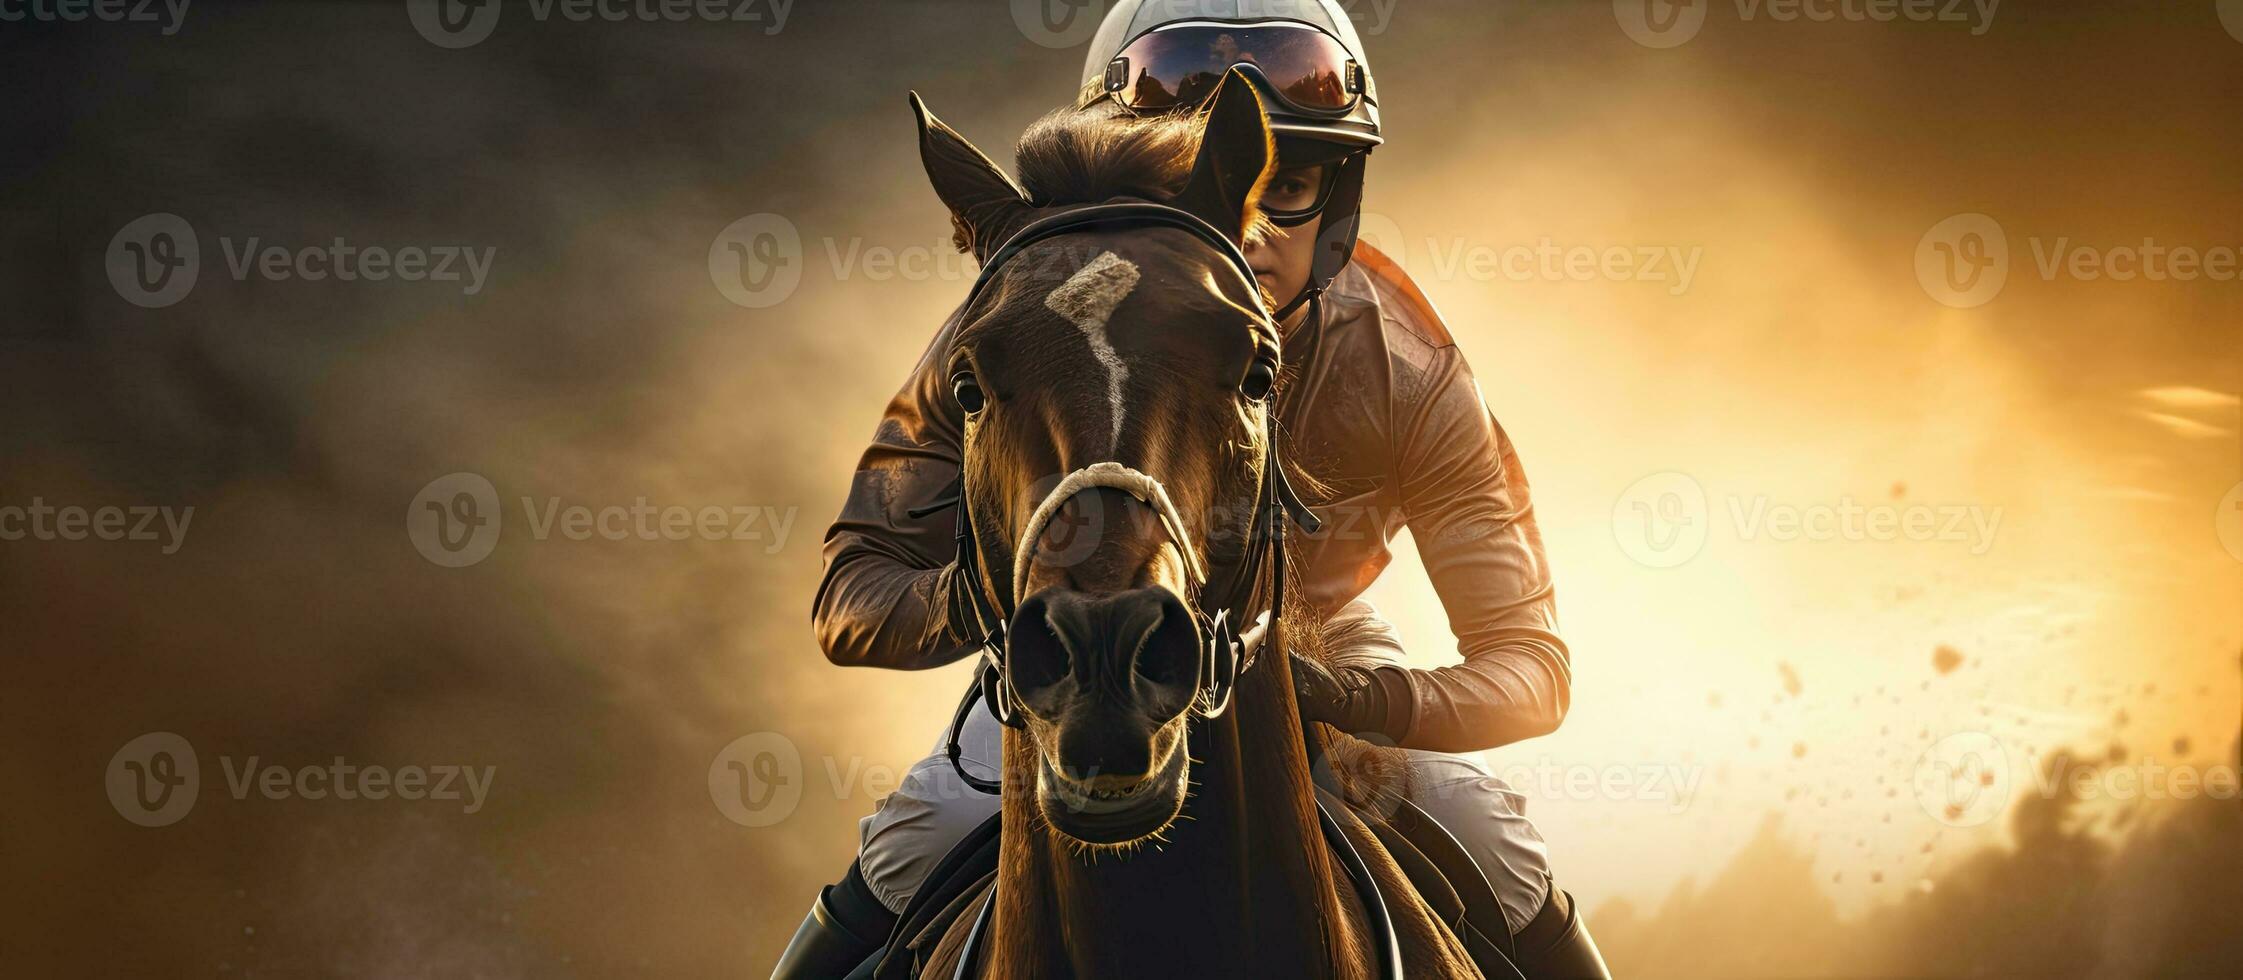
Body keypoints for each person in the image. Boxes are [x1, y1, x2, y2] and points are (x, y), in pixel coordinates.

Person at [774, 3, 1608, 976]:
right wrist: (998, 599)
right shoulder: (1009, 326)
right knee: (912, 843)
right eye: (1179, 184)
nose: (1238, 231)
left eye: (1281, 186)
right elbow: (849, 595)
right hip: (1061, 631)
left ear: (1338, 202)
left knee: (1497, 848)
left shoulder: (1408, 370)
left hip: (1318, 636)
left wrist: (1343, 694)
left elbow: (1531, 669)